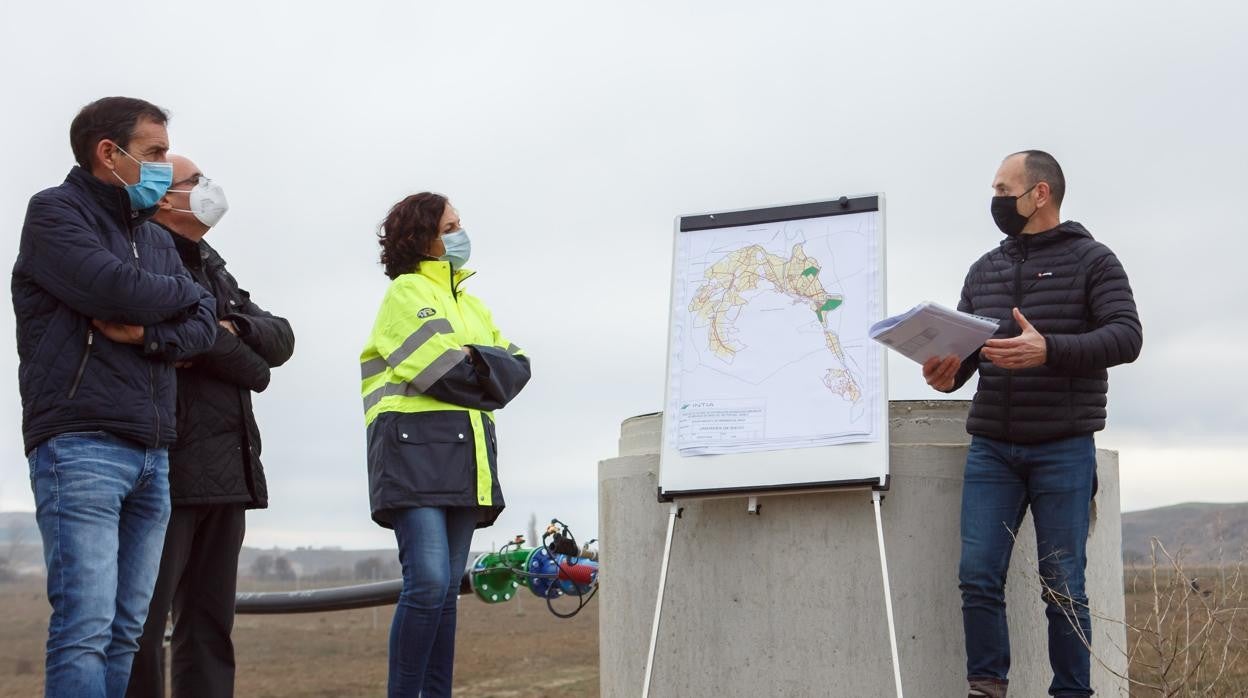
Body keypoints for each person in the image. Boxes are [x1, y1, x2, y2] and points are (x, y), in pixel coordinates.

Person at [12, 97, 217, 697]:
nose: (161, 165)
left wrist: (151, 333)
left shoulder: (151, 237)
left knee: (130, 630)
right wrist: (174, 301)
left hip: (153, 451)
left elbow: (203, 320)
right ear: (110, 153)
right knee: (86, 628)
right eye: (153, 153)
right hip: (80, 445)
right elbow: (112, 288)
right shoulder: (55, 214)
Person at [923, 150, 1143, 698]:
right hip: (993, 448)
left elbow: (1127, 337)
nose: (995, 200)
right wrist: (946, 372)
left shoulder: (1095, 261)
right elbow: (968, 357)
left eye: (1003, 188)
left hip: (1064, 447)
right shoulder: (984, 269)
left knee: (1063, 586)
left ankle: (1072, 693)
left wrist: (1049, 350)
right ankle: (987, 688)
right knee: (977, 577)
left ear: (1039, 193)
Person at [127, 155, 295, 698]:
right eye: (194, 181)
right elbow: (253, 366)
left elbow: (280, 338)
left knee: (209, 629)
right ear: (162, 199)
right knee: (141, 630)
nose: (208, 189)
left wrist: (232, 329)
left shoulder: (211, 263)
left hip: (227, 471)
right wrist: (234, 348)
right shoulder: (143, 256)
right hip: (167, 469)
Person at [360, 193, 531, 697]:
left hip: (467, 457)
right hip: (412, 455)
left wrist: (476, 359)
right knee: (429, 582)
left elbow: (519, 368)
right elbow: (444, 373)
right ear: (422, 239)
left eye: (460, 224)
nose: (461, 234)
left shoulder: (473, 305)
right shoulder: (405, 294)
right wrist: (485, 365)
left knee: (448, 593)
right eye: (450, 226)